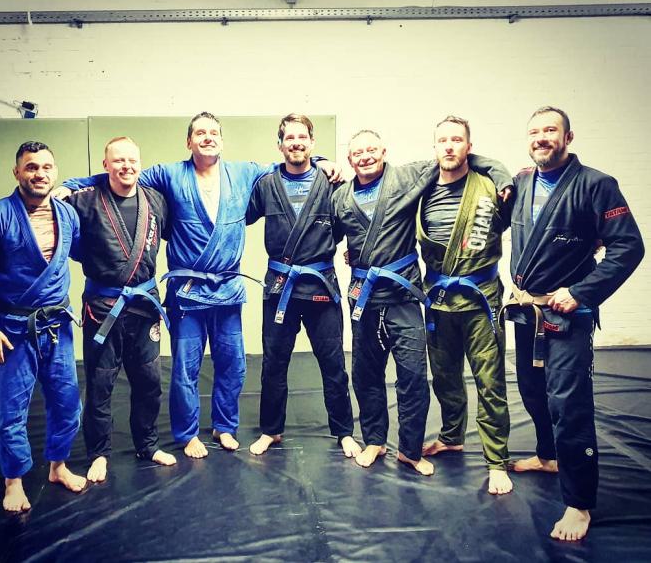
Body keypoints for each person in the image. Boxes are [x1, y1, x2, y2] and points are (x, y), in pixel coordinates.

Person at [62, 112, 338, 459]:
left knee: (233, 364)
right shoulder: (169, 174)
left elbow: (289, 163)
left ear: (221, 139)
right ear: (189, 141)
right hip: (188, 290)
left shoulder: (244, 172)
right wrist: (72, 184)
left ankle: (225, 425)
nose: (208, 137)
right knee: (185, 368)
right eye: (200, 133)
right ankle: (187, 433)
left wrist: (323, 162)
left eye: (213, 132)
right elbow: (121, 174)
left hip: (227, 288)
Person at [331, 130, 511, 474]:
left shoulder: (407, 177)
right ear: (349, 159)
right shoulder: (340, 197)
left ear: (384, 151)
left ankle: (410, 451)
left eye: (372, 149)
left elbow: (455, 156)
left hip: (403, 296)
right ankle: (374, 441)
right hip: (363, 296)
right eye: (357, 152)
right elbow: (327, 236)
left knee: (413, 376)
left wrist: (501, 175)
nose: (365, 156)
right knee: (365, 375)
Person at [504, 106, 644, 540]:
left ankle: (579, 503)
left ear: (568, 137)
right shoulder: (522, 182)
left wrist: (582, 292)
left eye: (551, 130)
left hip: (567, 314)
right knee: (532, 390)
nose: (541, 137)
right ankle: (548, 457)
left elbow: (629, 247)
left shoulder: (596, 185)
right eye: (534, 131)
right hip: (528, 310)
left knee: (568, 404)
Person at [0, 141, 86, 512]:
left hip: (57, 326)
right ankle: (14, 482)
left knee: (67, 403)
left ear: (55, 172)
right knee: (13, 409)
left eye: (47, 167)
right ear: (17, 172)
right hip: (13, 329)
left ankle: (58, 466)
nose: (39, 174)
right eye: (31, 167)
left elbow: (82, 255)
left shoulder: (68, 215)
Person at [246, 114, 361, 457]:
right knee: (273, 363)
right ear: (279, 144)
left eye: (302, 137)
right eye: (289, 138)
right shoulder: (266, 184)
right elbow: (241, 217)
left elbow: (350, 224)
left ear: (312, 142)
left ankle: (344, 431)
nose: (296, 143)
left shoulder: (332, 182)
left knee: (333, 363)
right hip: (280, 286)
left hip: (320, 285)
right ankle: (271, 431)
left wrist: (355, 254)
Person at [65, 137, 177, 482]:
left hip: (144, 304)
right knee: (100, 383)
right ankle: (99, 453)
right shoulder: (83, 201)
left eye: (132, 160)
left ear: (140, 163)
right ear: (105, 166)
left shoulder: (156, 200)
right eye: (118, 161)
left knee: (149, 381)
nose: (126, 166)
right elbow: (71, 246)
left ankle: (147, 444)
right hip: (103, 306)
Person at [418, 116, 512, 495]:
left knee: (490, 381)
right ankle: (451, 437)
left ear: (469, 147)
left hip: (480, 299)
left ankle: (497, 461)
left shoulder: (491, 187)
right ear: (434, 147)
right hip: (438, 298)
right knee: (444, 377)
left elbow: (523, 224)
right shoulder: (422, 189)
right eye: (443, 140)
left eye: (457, 140)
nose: (449, 146)